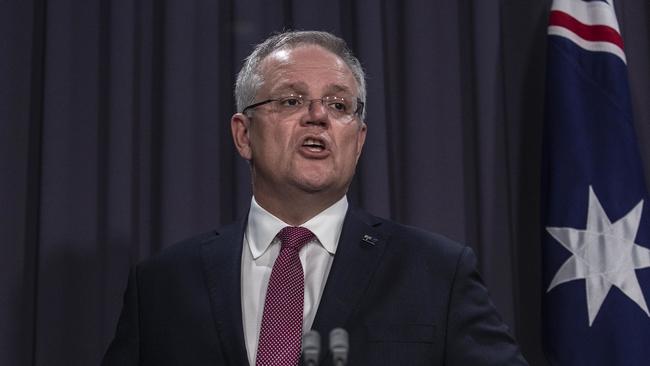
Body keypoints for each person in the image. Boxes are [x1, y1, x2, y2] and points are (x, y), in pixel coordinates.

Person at [102, 30, 528, 366]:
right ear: (243, 134)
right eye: (291, 100)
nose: (319, 116)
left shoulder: (436, 272)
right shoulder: (162, 285)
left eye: (339, 105)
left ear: (358, 142)